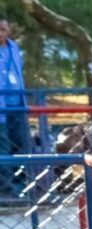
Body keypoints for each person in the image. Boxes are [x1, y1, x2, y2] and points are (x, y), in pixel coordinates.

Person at [0, 19, 28, 197]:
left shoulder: (14, 47)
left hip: (18, 104)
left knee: (20, 144)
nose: (1, 32)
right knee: (3, 146)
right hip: (1, 108)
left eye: (3, 28)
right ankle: (6, 187)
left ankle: (22, 184)